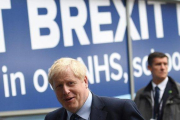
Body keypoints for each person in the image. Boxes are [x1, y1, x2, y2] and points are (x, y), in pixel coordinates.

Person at [45, 57, 144, 120]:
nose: (65, 91)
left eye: (70, 83)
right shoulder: (51, 118)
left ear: (85, 81)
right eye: (59, 86)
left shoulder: (121, 109)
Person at [134, 52, 180, 120]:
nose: (163, 68)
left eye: (165, 64)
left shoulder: (178, 92)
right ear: (149, 68)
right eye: (158, 64)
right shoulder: (140, 94)